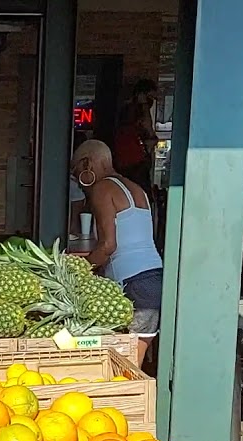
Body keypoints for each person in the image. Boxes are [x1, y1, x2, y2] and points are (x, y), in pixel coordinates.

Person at [72, 140, 163, 367]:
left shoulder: (103, 188)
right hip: (152, 278)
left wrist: (77, 270)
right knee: (134, 359)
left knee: (124, 364)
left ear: (87, 164)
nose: (80, 184)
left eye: (76, 173)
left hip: (133, 283)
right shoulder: (135, 188)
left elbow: (107, 246)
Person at [113, 79, 158, 195]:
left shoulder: (125, 110)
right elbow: (147, 127)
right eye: (150, 98)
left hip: (125, 161)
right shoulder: (137, 110)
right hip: (135, 160)